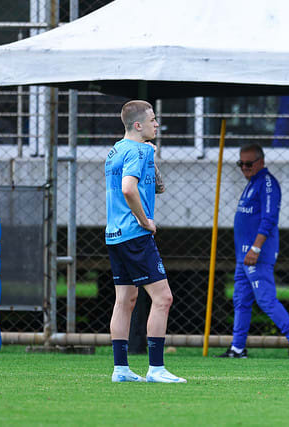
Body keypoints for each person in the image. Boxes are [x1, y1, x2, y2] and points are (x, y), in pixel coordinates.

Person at [105, 99, 185, 383]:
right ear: (138, 125)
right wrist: (144, 220)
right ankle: (156, 368)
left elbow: (157, 188)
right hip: (135, 234)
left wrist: (152, 160)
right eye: (152, 120)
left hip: (114, 235)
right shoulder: (138, 150)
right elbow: (129, 189)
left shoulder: (116, 150)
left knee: (125, 300)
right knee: (163, 298)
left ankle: (121, 369)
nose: (157, 124)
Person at [217, 143, 289, 359]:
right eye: (240, 164)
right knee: (241, 300)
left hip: (256, 254)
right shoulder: (252, 182)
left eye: (249, 164)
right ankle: (237, 348)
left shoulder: (267, 183)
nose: (244, 168)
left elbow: (269, 218)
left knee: (265, 299)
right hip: (244, 256)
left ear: (261, 162)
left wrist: (255, 247)